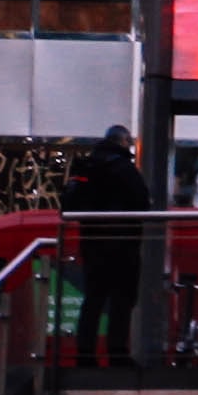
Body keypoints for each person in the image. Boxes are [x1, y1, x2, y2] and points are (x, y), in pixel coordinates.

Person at [69, 127, 153, 368]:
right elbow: (142, 202)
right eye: (130, 142)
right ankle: (117, 352)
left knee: (93, 300)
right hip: (122, 245)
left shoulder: (88, 167)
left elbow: (71, 204)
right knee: (121, 300)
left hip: (92, 245)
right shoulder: (125, 169)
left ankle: (84, 354)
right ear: (123, 141)